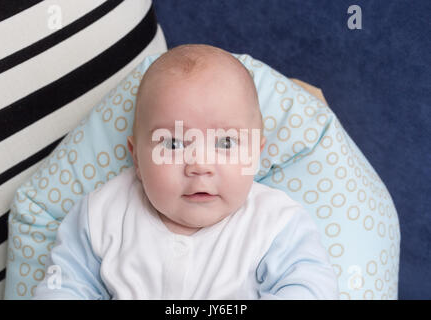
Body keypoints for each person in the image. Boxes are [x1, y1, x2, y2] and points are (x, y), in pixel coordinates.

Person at [33, 44, 339, 299]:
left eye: (226, 142)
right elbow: (63, 287)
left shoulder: (274, 222)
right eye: (174, 143)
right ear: (136, 158)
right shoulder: (101, 215)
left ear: (255, 155)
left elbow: (312, 289)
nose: (200, 166)